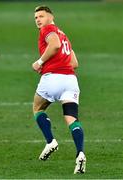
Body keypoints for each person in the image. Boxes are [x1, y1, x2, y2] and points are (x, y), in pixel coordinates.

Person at [32, 5, 86, 174]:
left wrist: (40, 63)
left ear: (50, 16)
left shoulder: (49, 30)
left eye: (41, 16)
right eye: (36, 18)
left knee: (38, 108)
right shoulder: (64, 36)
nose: (38, 20)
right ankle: (80, 153)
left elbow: (54, 45)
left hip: (53, 78)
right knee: (72, 119)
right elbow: (74, 63)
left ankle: (50, 141)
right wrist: (57, 63)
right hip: (70, 80)